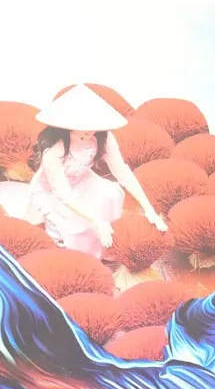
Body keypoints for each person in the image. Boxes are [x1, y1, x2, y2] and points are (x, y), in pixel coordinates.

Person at [14, 85, 167, 260]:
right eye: (85, 124)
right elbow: (63, 194)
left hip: (84, 180)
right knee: (75, 224)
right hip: (53, 192)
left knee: (112, 194)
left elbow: (122, 172)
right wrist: (97, 220)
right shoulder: (54, 149)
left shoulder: (104, 137)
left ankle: (106, 248)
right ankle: (81, 258)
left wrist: (148, 209)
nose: (92, 129)